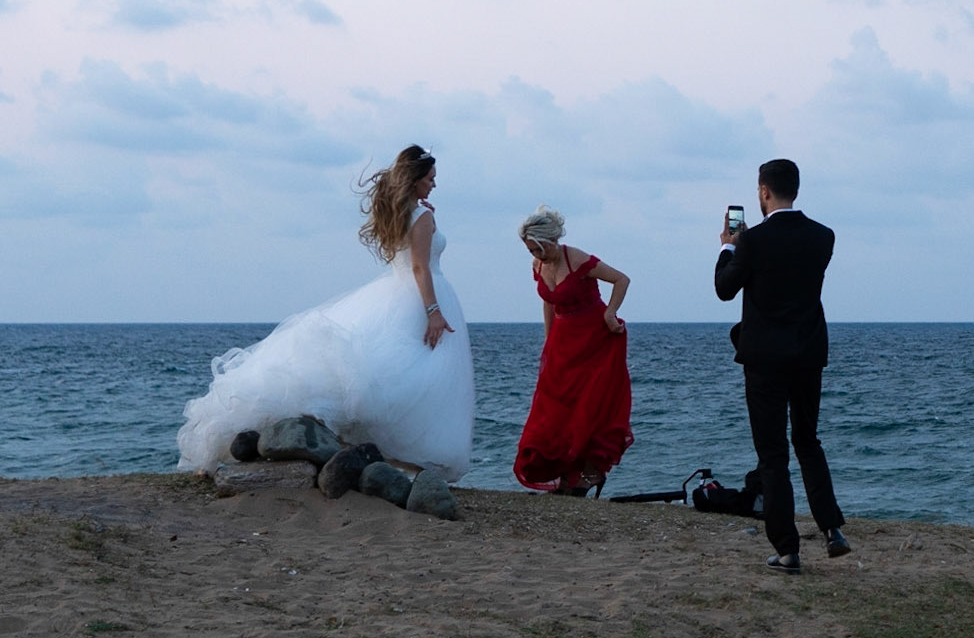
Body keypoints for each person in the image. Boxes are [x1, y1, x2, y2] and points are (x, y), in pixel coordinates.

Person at [178, 145, 474, 480]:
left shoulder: (404, 214)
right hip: (421, 297)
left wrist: (420, 213)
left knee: (404, 375)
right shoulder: (421, 217)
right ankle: (415, 457)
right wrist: (433, 311)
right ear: (416, 179)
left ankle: (388, 456)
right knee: (421, 380)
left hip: (397, 295)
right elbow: (420, 268)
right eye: (431, 179)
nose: (434, 184)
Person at [715, 159, 847, 572]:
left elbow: (724, 289)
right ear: (796, 189)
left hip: (764, 359)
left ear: (763, 192)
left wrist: (728, 246)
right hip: (808, 352)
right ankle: (832, 528)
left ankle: (788, 549)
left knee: (772, 454)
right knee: (808, 441)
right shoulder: (823, 237)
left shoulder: (752, 241)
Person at [513, 206, 633, 496]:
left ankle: (590, 473)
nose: (535, 255)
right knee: (555, 409)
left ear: (550, 241)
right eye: (531, 250)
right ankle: (565, 473)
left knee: (591, 407)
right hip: (563, 341)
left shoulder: (577, 258)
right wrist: (548, 341)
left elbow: (621, 279)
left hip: (595, 339)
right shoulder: (537, 265)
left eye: (538, 249)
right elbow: (549, 302)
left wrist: (611, 313)